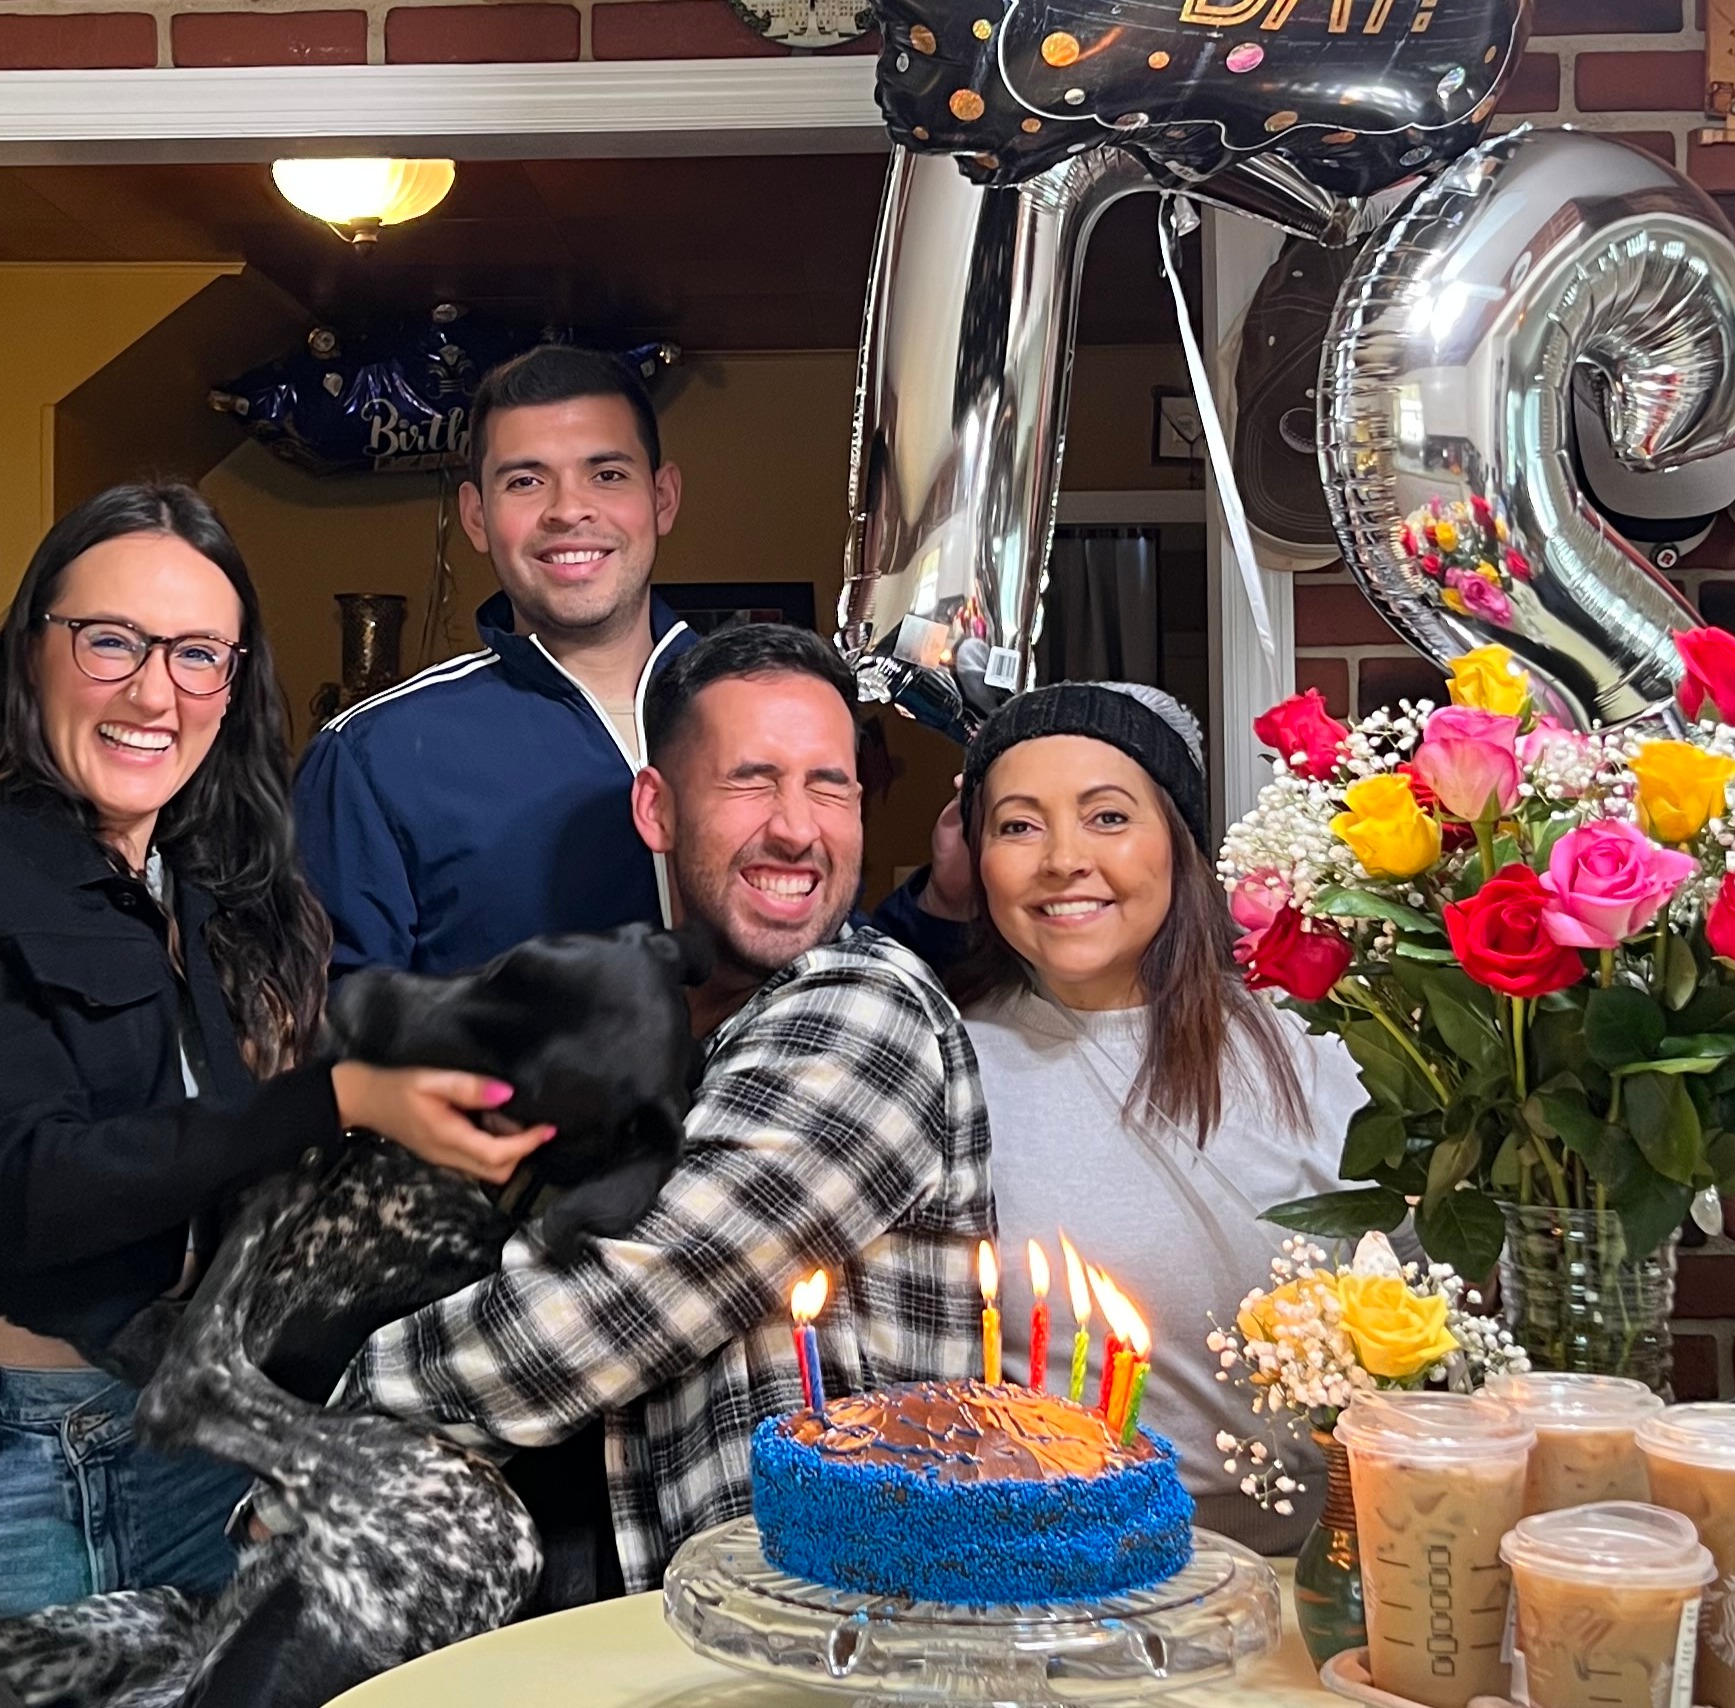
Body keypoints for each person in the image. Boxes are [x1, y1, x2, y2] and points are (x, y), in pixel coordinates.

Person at [0, 483, 551, 1670]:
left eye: (199, 655)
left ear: (233, 684)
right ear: (33, 649)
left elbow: (255, 1189)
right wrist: (337, 1099)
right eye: (112, 642)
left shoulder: (226, 894)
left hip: (192, 1452)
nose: (155, 694)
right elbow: (24, 1188)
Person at [342, 621, 992, 1595]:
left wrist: (319, 1438)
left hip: (833, 1632)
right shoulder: (647, 1023)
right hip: (656, 1620)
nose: (796, 828)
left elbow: (608, 1304)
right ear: (657, 809)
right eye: (750, 781)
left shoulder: (866, 1010)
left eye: (830, 785)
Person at [939, 682, 1364, 1550]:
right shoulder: (945, 1068)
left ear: (1178, 840)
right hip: (1071, 1568)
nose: (1063, 859)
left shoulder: (1318, 1046)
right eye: (1018, 826)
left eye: (1107, 817)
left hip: (1332, 1564)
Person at [295, 344, 699, 975]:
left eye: (607, 474)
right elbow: (331, 1023)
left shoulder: (768, 709)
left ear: (663, 498)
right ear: (476, 516)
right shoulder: (372, 756)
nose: (568, 510)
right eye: (525, 481)